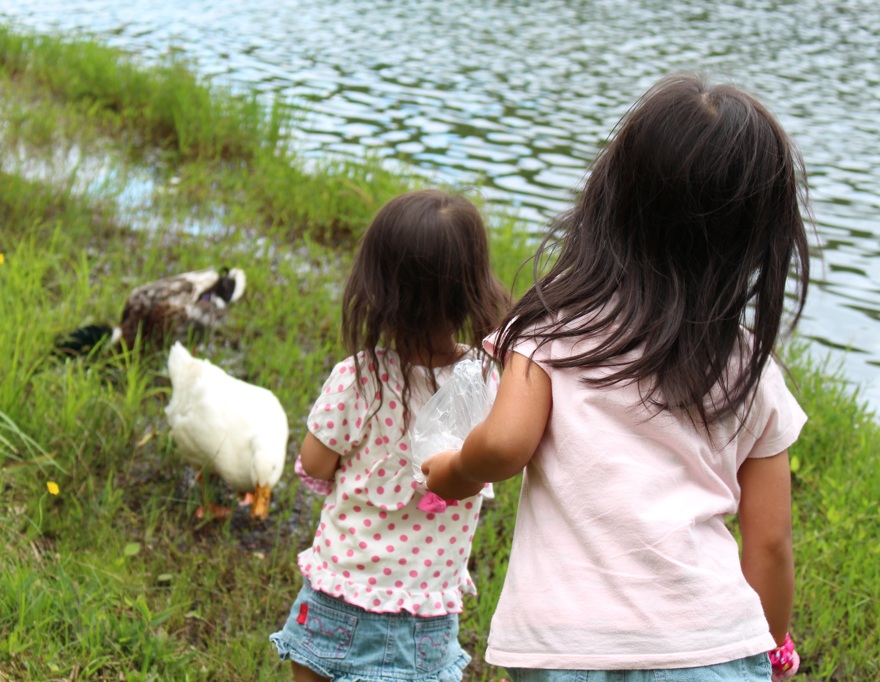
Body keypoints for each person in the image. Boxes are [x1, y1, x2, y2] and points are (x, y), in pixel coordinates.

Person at [422, 74, 811, 682]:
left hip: (566, 644)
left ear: (613, 198)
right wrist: (774, 645)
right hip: (711, 646)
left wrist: (453, 473)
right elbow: (770, 544)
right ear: (757, 239)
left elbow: (502, 445)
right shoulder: (750, 367)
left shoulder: (552, 332)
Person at [270, 189, 510, 681]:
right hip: (425, 610)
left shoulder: (358, 377)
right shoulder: (486, 384)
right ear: (474, 286)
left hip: (338, 591)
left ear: (378, 289)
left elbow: (315, 463)